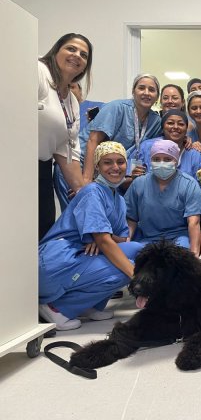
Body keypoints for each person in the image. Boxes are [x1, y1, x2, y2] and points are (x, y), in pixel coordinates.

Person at [38, 142, 144, 330]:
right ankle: (57, 308)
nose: (115, 167)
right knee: (124, 269)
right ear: (97, 167)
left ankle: (89, 305)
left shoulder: (118, 199)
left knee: (137, 249)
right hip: (57, 261)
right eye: (107, 162)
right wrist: (137, 278)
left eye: (120, 162)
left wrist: (102, 236)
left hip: (80, 256)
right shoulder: (92, 192)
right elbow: (104, 241)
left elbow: (120, 238)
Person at [38, 33, 93, 238]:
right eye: (71, 49)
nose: (77, 55)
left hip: (41, 169)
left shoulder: (71, 102)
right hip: (12, 165)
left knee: (42, 228)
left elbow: (67, 151)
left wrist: (84, 193)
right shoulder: (38, 72)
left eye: (83, 55)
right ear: (55, 51)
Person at [124, 139, 201, 255]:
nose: (161, 163)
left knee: (178, 257)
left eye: (167, 159)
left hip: (178, 239)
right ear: (150, 160)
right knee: (126, 252)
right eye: (156, 159)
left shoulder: (188, 184)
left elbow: (193, 222)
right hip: (147, 239)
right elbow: (131, 218)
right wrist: (127, 239)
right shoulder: (139, 184)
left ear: (176, 161)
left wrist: (194, 255)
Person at [80, 74, 162, 185]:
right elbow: (93, 140)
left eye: (151, 90)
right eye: (141, 88)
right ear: (133, 91)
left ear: (157, 97)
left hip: (110, 174)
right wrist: (86, 179)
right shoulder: (117, 107)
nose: (146, 93)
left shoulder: (156, 122)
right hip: (82, 165)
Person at [125, 109, 201, 184]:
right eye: (170, 123)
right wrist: (134, 178)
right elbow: (126, 179)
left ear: (186, 129)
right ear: (162, 128)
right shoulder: (146, 147)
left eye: (181, 124)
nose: (175, 127)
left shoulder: (195, 156)